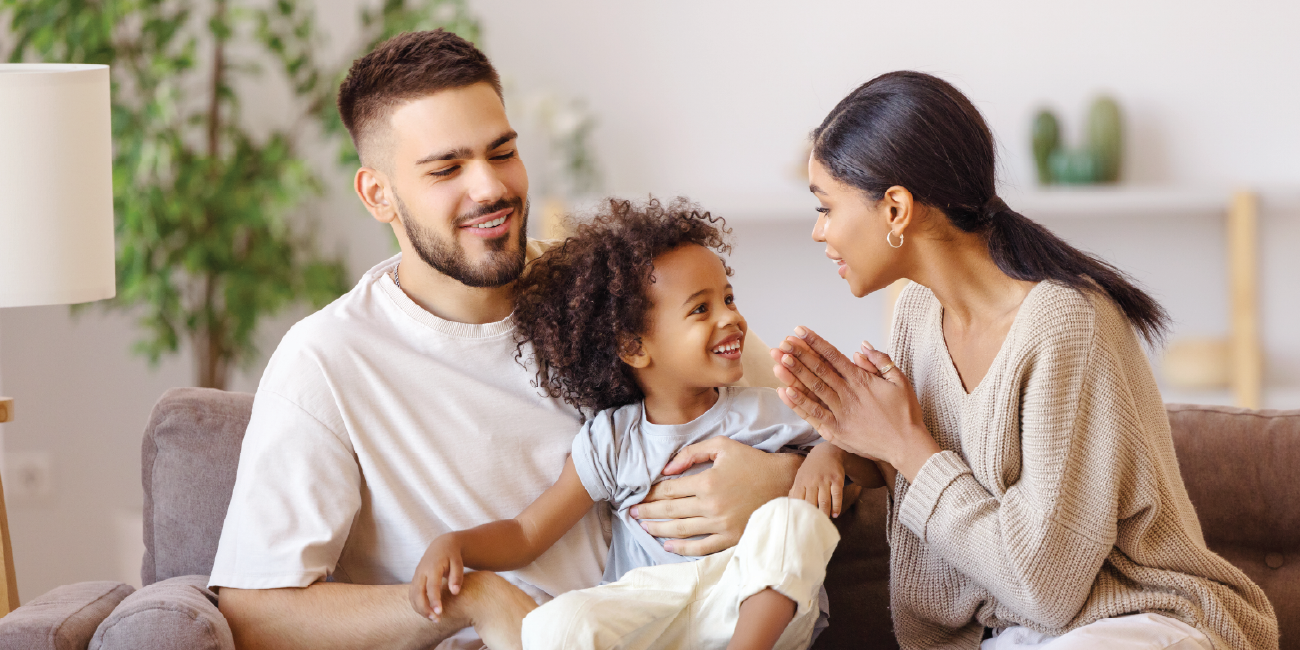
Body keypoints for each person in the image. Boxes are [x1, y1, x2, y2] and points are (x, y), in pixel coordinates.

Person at [209, 30, 802, 650]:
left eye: (502, 152)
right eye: (446, 168)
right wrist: (471, 599)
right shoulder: (326, 361)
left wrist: (778, 478)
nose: (490, 187)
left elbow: (812, 424)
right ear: (378, 194)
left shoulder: (610, 292)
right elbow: (255, 613)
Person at [769, 71, 1279, 650]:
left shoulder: (1065, 325)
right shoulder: (915, 312)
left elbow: (1043, 587)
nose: (819, 231)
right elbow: (921, 452)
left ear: (895, 209)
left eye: (826, 206)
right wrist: (835, 443)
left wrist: (902, 443)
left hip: (1138, 622)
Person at [409, 198, 880, 650]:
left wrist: (827, 455)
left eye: (729, 298)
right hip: (651, 610)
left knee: (793, 520)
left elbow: (866, 455)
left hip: (746, 603)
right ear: (634, 348)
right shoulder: (612, 441)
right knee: (554, 625)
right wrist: (457, 545)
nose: (731, 319)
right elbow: (527, 534)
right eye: (701, 308)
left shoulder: (768, 408)